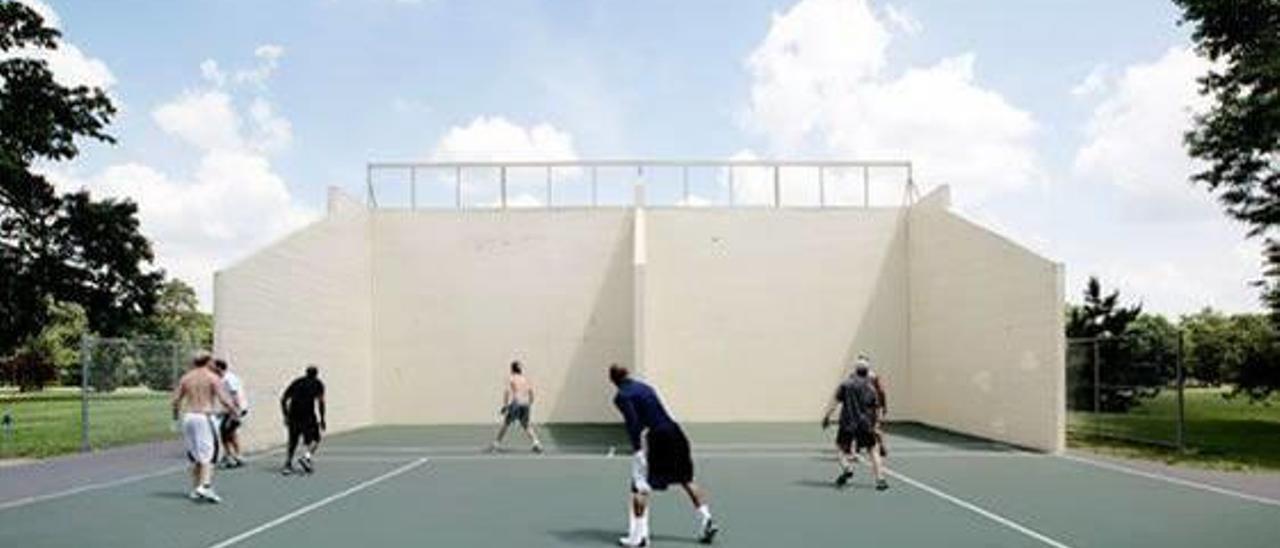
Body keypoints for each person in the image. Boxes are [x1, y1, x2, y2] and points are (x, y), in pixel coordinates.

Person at [609, 364, 719, 546]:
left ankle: (639, 537)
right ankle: (707, 519)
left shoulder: (622, 396)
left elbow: (633, 423)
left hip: (655, 438)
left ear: (613, 380)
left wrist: (637, 450)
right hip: (675, 433)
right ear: (627, 374)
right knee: (687, 479)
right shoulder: (645, 387)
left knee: (639, 486)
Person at [171, 353, 240, 503]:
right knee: (210, 454)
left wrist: (175, 419)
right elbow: (224, 399)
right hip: (204, 417)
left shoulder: (186, 378)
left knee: (196, 455)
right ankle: (206, 486)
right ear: (208, 362)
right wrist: (235, 412)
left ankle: (196, 488)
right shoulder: (212, 377)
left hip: (188, 417)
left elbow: (175, 400)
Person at [822, 362, 888, 491]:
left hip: (847, 423)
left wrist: (827, 417)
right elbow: (877, 407)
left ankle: (847, 468)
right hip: (865, 424)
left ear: (855, 371)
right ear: (867, 371)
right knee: (873, 451)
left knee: (840, 448)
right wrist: (877, 423)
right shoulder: (871, 388)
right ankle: (880, 479)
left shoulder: (846, 384)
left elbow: (835, 403)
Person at [489, 361, 543, 453]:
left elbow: (507, 392)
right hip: (525, 404)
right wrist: (530, 403)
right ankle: (536, 443)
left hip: (516, 403)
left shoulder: (511, 378)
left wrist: (505, 406)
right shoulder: (525, 379)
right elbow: (531, 393)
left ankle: (496, 444)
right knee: (526, 425)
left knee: (506, 424)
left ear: (512, 369)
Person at [280, 365, 326, 475]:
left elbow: (283, 399)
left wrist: (286, 415)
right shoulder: (318, 384)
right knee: (316, 439)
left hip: (293, 415)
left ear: (306, 373)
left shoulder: (296, 382)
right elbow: (321, 402)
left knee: (293, 441)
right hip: (308, 416)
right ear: (316, 374)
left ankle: (288, 465)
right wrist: (323, 418)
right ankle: (306, 457)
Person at [214, 359, 249, 468]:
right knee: (230, 433)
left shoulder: (228, 379)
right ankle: (236, 456)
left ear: (219, 368)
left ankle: (230, 456)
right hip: (230, 410)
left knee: (225, 432)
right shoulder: (224, 378)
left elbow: (235, 395)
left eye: (214, 367)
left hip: (235, 410)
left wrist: (236, 412)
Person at [855, 354, 890, 457]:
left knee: (871, 427)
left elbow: (882, 391)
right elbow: (882, 391)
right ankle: (859, 447)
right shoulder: (872, 376)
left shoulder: (872, 377)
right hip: (866, 407)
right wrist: (884, 406)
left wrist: (884, 406)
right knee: (869, 427)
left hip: (869, 407)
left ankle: (881, 446)